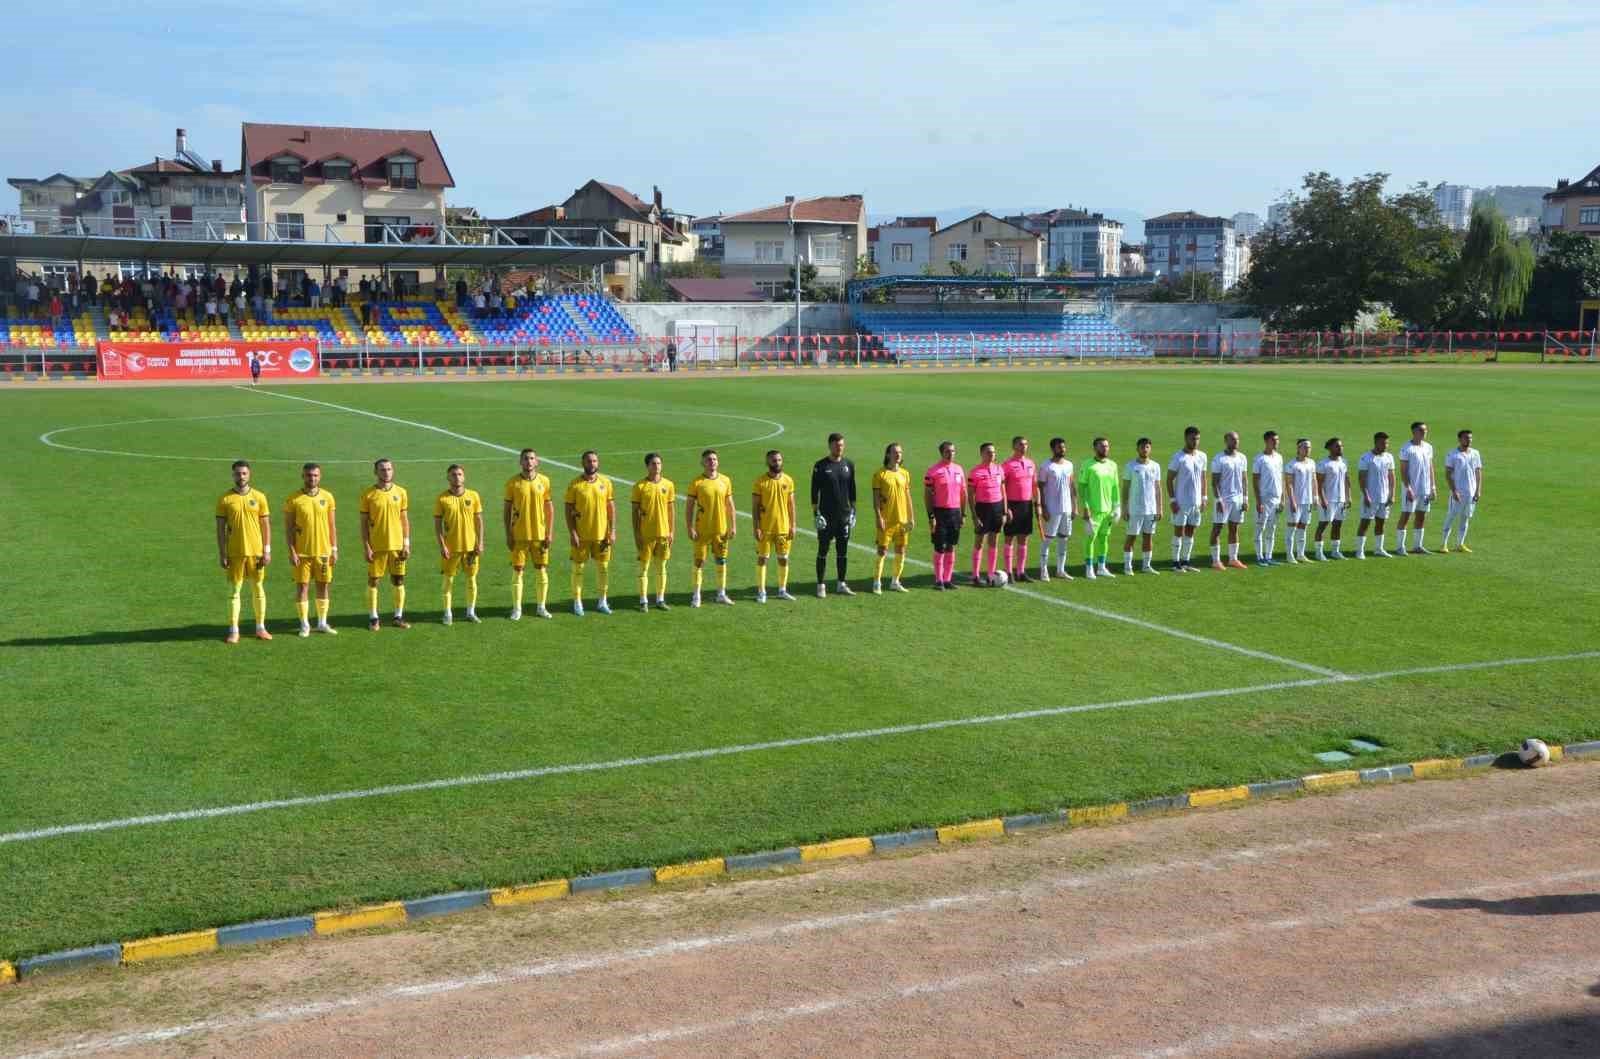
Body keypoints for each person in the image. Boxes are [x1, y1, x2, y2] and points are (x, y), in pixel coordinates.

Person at [215, 459, 272, 643]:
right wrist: (222, 553)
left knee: (258, 589)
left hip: (256, 553)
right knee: (235, 591)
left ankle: (260, 627)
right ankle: (234, 630)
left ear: (249, 474)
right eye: (238, 473)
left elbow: (266, 526)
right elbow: (220, 529)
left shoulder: (260, 497)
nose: (241, 476)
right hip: (235, 552)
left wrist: (267, 550)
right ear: (233, 475)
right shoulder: (225, 499)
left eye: (244, 473)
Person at [283, 462, 338, 637]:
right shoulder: (294, 499)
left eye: (315, 475)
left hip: (323, 553)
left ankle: (322, 622)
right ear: (303, 476)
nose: (312, 478)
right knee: (303, 587)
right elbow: (289, 528)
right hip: (302, 553)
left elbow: (332, 526)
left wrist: (334, 548)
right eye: (308, 475)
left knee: (323, 586)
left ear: (320, 476)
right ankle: (305, 624)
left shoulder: (328, 497)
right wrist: (291, 550)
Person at [359, 458, 411, 631]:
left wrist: (406, 543)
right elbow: (364, 523)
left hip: (397, 546)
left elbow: (404, 520)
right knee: (373, 581)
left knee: (399, 580)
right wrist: (366, 546)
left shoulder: (401, 492)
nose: (386, 472)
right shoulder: (368, 495)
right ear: (376, 472)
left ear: (393, 471)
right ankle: (373, 617)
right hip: (377, 546)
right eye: (382, 470)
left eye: (389, 469)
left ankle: (398, 616)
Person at [505, 448, 555, 620]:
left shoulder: (544, 481)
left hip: (540, 536)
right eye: (525, 459)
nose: (529, 461)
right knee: (518, 571)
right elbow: (507, 510)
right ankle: (517, 608)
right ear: (520, 462)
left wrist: (549, 532)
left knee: (541, 570)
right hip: (519, 535)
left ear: (537, 461)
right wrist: (508, 534)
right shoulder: (513, 483)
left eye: (532, 458)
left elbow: (549, 508)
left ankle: (541, 607)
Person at [564, 450, 617, 616]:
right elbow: (568, 510)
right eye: (588, 461)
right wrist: (573, 532)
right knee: (578, 569)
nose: (592, 464)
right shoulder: (574, 485)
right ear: (583, 463)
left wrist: (612, 530)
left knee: (603, 569)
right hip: (582, 536)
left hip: (602, 536)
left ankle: (602, 601)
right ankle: (577, 602)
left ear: (598, 463)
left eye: (594, 461)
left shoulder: (606, 483)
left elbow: (611, 508)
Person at [434, 464, 485, 624]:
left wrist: (480, 542)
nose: (457, 477)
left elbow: (479, 521)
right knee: (448, 580)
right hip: (451, 548)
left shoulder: (473, 496)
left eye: (460, 474)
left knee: (471, 579)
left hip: (470, 548)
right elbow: (437, 524)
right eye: (453, 475)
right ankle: (448, 613)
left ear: (464, 477)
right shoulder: (442, 498)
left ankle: (471, 612)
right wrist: (442, 545)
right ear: (448, 478)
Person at [685, 448, 736, 607]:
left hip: (720, 530)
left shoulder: (725, 481)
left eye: (714, 459)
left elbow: (730, 505)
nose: (712, 462)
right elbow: (689, 507)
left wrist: (733, 526)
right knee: (699, 562)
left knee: (721, 561)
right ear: (702, 463)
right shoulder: (697, 483)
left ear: (718, 462)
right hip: (702, 531)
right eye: (708, 460)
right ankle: (696, 595)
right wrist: (689, 527)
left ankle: (721, 594)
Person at [811, 432, 857, 597]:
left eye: (842, 445)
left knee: (842, 551)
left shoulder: (848, 465)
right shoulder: (821, 466)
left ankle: (841, 583)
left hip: (843, 516)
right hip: (826, 517)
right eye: (837, 445)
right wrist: (816, 514)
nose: (840, 448)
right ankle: (820, 585)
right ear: (830, 445)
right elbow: (814, 492)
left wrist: (854, 511)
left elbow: (852, 491)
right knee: (823, 550)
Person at [630, 452, 676, 610]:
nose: (656, 467)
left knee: (661, 567)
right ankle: (643, 601)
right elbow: (634, 512)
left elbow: (671, 510)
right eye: (653, 464)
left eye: (658, 463)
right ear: (647, 466)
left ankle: (660, 599)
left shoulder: (668, 485)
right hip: (646, 534)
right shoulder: (640, 486)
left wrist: (671, 531)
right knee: (644, 568)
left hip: (663, 534)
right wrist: (636, 533)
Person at [752, 449, 798, 602]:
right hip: (765, 529)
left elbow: (791, 505)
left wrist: (793, 525)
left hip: (783, 528)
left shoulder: (788, 481)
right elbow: (755, 507)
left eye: (778, 460)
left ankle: (782, 590)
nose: (776, 463)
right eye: (773, 460)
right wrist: (756, 527)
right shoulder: (760, 482)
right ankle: (761, 591)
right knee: (762, 559)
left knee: (783, 559)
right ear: (767, 463)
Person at [871, 442, 914, 594]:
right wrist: (878, 517)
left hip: (902, 521)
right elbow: (876, 499)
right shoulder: (880, 475)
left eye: (900, 452)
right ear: (888, 454)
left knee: (901, 550)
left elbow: (908, 497)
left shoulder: (905, 474)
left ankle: (895, 581)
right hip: (886, 521)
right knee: (882, 551)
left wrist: (911, 517)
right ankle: (877, 581)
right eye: (895, 452)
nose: (898, 455)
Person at [924, 441, 966, 590]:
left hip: (955, 512)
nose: (951, 454)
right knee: (939, 546)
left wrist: (963, 514)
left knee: (951, 546)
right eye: (948, 451)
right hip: (940, 512)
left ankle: (947, 579)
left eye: (953, 451)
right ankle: (938, 580)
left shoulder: (959, 469)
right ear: (941, 453)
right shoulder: (933, 471)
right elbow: (928, 495)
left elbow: (963, 493)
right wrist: (931, 516)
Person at [1166, 426, 1208, 572]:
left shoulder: (1202, 456)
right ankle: (1175, 562)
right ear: (1186, 438)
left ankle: (1186, 561)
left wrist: (1204, 497)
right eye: (1192, 439)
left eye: (1197, 439)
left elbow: (1203, 477)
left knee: (1191, 531)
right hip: (1181, 502)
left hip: (1196, 502)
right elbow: (1169, 479)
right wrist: (1172, 501)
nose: (1195, 441)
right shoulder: (1178, 457)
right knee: (1179, 531)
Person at [1036, 437, 1076, 581]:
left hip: (1066, 508)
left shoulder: (1069, 465)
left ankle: (1061, 570)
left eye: (1064, 447)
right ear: (1053, 449)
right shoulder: (1046, 466)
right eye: (1060, 447)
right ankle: (1043, 570)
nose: (1063, 449)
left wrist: (1074, 507)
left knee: (1064, 539)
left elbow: (1071, 486)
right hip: (1052, 509)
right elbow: (1040, 487)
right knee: (1047, 539)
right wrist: (1043, 507)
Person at [1080, 436, 1120, 579]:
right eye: (1102, 446)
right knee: (1090, 538)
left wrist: (1117, 507)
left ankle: (1101, 567)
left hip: (1108, 510)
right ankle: (1089, 568)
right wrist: (1085, 507)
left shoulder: (1113, 465)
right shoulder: (1088, 465)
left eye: (1107, 446)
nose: (1105, 448)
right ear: (1095, 448)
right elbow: (1082, 487)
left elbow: (1115, 487)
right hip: (1093, 510)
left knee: (1104, 539)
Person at [1208, 431, 1249, 571]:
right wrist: (1218, 500)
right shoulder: (1219, 459)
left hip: (1238, 499)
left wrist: (1245, 498)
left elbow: (1244, 479)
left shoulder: (1242, 458)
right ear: (1226, 441)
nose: (1236, 442)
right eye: (1233, 439)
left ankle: (1233, 559)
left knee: (1234, 528)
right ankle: (1215, 560)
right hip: (1224, 499)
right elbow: (1214, 482)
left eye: (1237, 439)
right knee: (1217, 529)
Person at [1121, 437, 1162, 574]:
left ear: (1150, 449)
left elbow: (1158, 488)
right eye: (1142, 447)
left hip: (1150, 509)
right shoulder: (1130, 466)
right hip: (1135, 509)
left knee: (1148, 537)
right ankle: (1128, 566)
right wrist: (1125, 508)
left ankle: (1146, 566)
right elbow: (1125, 489)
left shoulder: (1155, 466)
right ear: (1137, 449)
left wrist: (1159, 508)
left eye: (1147, 447)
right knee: (1131, 537)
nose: (1145, 450)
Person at [967, 442, 1006, 586]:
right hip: (982, 508)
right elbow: (970, 496)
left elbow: (1003, 491)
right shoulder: (975, 472)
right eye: (989, 452)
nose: (992, 455)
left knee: (994, 541)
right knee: (979, 541)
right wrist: (974, 515)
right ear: (982, 454)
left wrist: (1004, 512)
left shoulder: (999, 469)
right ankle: (975, 575)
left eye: (994, 452)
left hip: (997, 507)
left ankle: (990, 574)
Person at [1395, 421, 1436, 555]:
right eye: (1421, 430)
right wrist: (1408, 489)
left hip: (1425, 488)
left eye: (1425, 430)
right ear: (1414, 432)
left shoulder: (1428, 447)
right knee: (1406, 515)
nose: (1424, 432)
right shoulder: (1406, 448)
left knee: (1421, 516)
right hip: (1412, 489)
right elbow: (1403, 470)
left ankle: (1418, 546)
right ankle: (1400, 547)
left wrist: (1433, 486)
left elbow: (1430, 467)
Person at [1001, 436, 1038, 582]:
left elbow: (1035, 486)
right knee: (1009, 538)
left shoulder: (1030, 463)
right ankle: (1009, 571)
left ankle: (1021, 572)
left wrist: (1038, 504)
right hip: (1012, 505)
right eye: (1021, 444)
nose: (1024, 446)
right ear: (1014, 446)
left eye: (1026, 444)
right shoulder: (1007, 465)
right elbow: (1002, 487)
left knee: (1023, 538)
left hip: (1026, 504)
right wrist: (1007, 508)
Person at [1440, 429, 1483, 554]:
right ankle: (1443, 544)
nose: (1468, 440)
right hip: (1458, 492)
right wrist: (1454, 491)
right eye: (1466, 438)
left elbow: (1478, 472)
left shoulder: (1475, 453)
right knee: (1451, 516)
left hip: (1472, 492)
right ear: (1459, 439)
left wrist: (1478, 490)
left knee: (1465, 518)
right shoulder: (1452, 454)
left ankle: (1460, 544)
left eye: (1470, 438)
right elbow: (1448, 474)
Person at [1356, 432, 1396, 559]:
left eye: (1387, 443)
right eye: (1383, 443)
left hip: (1384, 497)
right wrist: (1366, 495)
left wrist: (1392, 494)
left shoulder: (1389, 457)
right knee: (1365, 523)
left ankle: (1379, 549)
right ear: (1376, 442)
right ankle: (1359, 551)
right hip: (1371, 497)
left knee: (1381, 523)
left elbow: (1392, 477)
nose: (1386, 445)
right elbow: (1361, 478)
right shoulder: (1366, 458)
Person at [1314, 437, 1351, 560]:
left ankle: (1335, 551)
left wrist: (1348, 497)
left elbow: (1346, 480)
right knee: (1323, 525)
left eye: (1341, 446)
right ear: (1330, 448)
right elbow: (1318, 484)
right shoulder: (1324, 464)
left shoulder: (1344, 462)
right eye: (1337, 446)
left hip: (1341, 500)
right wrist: (1322, 499)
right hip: (1328, 500)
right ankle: (1319, 553)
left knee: (1337, 525)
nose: (1340, 448)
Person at [1252, 430, 1285, 566]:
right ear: (1266, 441)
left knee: (1272, 528)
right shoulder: (1259, 459)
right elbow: (1255, 480)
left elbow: (1281, 477)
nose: (1276, 442)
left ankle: (1269, 556)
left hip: (1277, 498)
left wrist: (1282, 498)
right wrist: (1259, 501)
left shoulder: (1279, 457)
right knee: (1260, 528)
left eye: (1277, 440)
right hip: (1264, 499)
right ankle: (1259, 557)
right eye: (1273, 440)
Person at [1284, 438, 1317, 564]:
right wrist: (1292, 501)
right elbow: (1289, 484)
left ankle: (1301, 554)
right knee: (1292, 527)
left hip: (1307, 501)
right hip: (1296, 502)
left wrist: (1315, 497)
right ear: (1298, 448)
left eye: (1309, 447)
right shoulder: (1292, 465)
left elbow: (1314, 481)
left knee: (1303, 527)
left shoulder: (1312, 463)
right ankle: (1289, 554)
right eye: (1305, 447)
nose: (1308, 449)